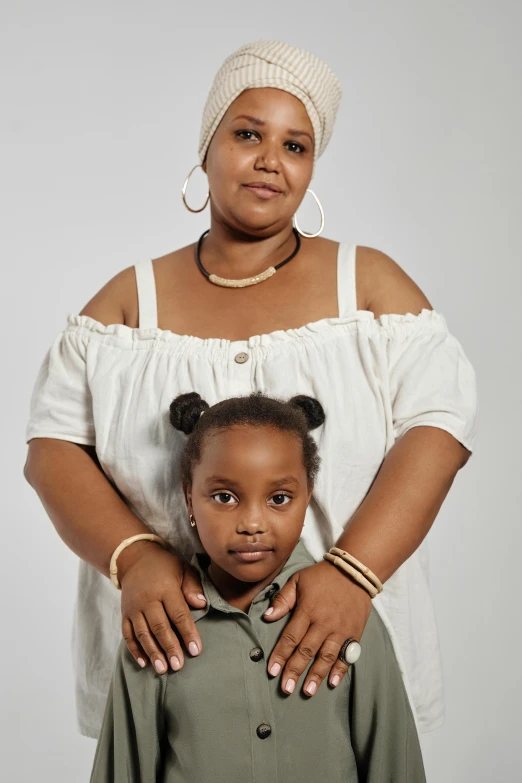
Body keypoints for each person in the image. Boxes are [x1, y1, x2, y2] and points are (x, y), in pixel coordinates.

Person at [23, 39, 478, 741]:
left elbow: (439, 431)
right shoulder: (125, 305)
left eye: (296, 145)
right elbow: (52, 448)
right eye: (246, 134)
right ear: (205, 149)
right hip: (177, 673)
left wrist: (353, 575)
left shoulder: (370, 287)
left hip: (338, 660)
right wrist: (134, 555)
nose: (271, 159)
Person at [90, 391, 426, 782]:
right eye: (224, 496)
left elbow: (395, 764)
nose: (252, 522)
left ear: (308, 497)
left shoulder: (349, 619)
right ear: (188, 498)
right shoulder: (157, 626)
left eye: (279, 498)